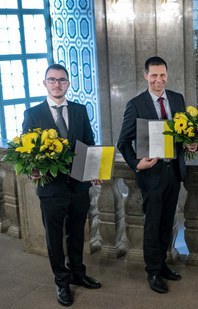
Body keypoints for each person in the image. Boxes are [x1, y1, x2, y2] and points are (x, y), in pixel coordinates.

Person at [22, 64, 102, 307]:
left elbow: (88, 142)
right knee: (54, 239)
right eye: (52, 80)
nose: (57, 84)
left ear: (68, 83)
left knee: (77, 233)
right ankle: (62, 282)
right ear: (45, 83)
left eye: (62, 80)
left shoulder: (79, 110)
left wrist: (94, 170)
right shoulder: (33, 114)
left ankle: (78, 273)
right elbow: (27, 152)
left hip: (78, 185)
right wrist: (33, 169)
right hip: (51, 189)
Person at [117, 56, 197, 294]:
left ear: (167, 74)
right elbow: (123, 141)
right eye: (154, 75)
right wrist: (136, 164)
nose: (159, 80)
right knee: (152, 224)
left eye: (162, 75)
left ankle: (162, 265)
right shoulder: (136, 104)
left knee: (167, 222)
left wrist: (190, 144)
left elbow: (182, 134)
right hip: (151, 174)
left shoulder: (177, 99)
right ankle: (152, 271)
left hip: (173, 172)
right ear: (146, 76)